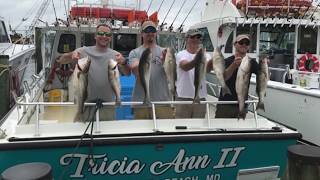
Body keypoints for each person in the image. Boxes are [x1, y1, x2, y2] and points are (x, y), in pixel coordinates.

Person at [57, 23, 130, 121]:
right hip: (86, 104)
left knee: (105, 135)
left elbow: (127, 73)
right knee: (82, 131)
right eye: (101, 33)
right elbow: (60, 60)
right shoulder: (82, 51)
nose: (104, 36)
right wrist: (71, 55)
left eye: (107, 35)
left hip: (107, 105)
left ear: (111, 38)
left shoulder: (116, 55)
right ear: (95, 36)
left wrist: (124, 62)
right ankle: (79, 112)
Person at [128, 21, 174, 119]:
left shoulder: (164, 51)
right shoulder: (134, 52)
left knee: (165, 132)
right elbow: (134, 70)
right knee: (142, 133)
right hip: (141, 102)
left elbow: (171, 73)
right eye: (147, 30)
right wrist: (144, 59)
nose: (150, 33)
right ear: (142, 33)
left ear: (156, 33)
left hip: (162, 101)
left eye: (152, 30)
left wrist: (166, 61)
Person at [215, 34, 262, 118]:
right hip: (225, 104)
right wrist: (233, 65)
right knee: (220, 129)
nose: (244, 44)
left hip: (242, 104)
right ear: (235, 44)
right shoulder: (227, 61)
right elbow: (223, 78)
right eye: (241, 42)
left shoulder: (252, 62)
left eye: (246, 43)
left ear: (248, 46)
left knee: (239, 130)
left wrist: (264, 66)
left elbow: (262, 76)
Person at [175, 29, 212, 118]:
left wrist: (214, 61)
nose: (196, 39)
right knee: (182, 127)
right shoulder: (181, 54)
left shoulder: (206, 55)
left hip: (201, 97)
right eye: (192, 37)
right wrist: (197, 59)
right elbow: (185, 67)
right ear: (186, 39)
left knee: (198, 126)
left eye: (198, 37)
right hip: (183, 97)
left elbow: (207, 70)